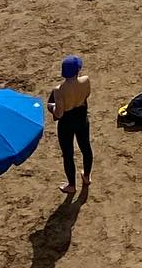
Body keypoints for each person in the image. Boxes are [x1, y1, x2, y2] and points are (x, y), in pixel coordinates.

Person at [49, 54, 93, 195]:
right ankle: (86, 176)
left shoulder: (59, 90)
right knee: (85, 147)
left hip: (66, 123)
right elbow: (86, 96)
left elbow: (59, 113)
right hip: (81, 117)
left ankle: (71, 185)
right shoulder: (86, 81)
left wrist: (51, 106)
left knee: (68, 154)